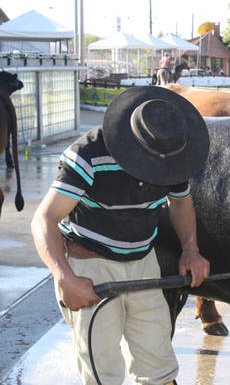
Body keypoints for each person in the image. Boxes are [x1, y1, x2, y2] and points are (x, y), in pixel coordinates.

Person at [31, 86, 211, 385]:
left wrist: (190, 249)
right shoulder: (88, 154)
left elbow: (180, 203)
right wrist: (64, 278)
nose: (162, 168)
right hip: (90, 266)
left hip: (143, 261)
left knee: (159, 363)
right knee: (103, 370)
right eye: (155, 161)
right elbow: (45, 218)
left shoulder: (174, 156)